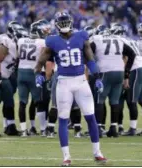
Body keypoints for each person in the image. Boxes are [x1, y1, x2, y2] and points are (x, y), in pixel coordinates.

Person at [35, 12, 107, 166]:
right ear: (56, 25)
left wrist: (98, 77)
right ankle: (66, 156)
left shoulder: (82, 36)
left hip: (81, 81)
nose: (63, 25)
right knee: (62, 119)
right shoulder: (52, 40)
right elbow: (41, 60)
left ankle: (97, 153)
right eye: (61, 22)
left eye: (65, 21)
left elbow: (90, 59)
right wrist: (39, 74)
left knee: (90, 117)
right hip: (64, 83)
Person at [91, 23, 136, 138]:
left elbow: (87, 52)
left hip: (105, 71)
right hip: (119, 72)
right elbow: (132, 54)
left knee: (100, 100)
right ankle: (113, 128)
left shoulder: (97, 39)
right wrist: (126, 74)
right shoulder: (118, 40)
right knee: (115, 101)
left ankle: (99, 128)